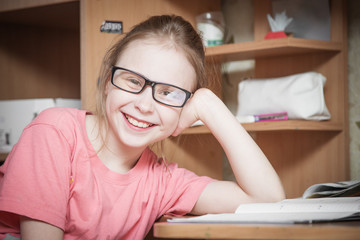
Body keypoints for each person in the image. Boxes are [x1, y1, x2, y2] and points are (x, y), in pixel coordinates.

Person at [0, 15, 285, 240]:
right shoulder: (53, 133)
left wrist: (208, 105)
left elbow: (268, 199)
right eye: (134, 81)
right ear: (107, 79)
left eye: (169, 93)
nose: (145, 105)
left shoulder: (161, 182)